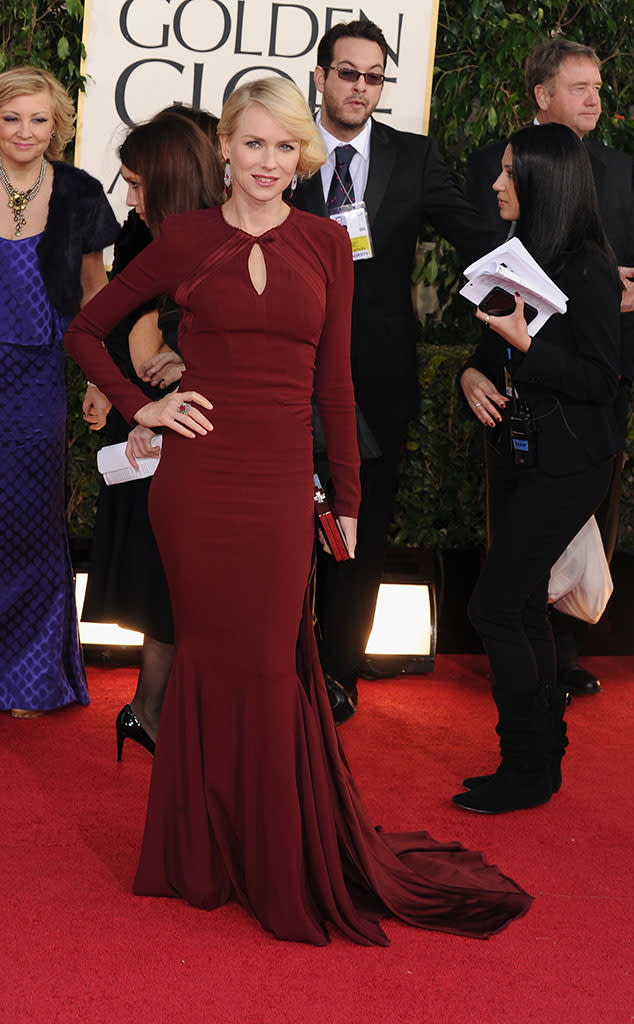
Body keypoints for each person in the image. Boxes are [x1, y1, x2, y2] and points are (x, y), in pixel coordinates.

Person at [65, 76, 530, 944]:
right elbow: (86, 330)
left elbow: (336, 381)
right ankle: (196, 852)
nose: (269, 162)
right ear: (226, 150)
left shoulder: (324, 243)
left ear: (300, 156)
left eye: (286, 148)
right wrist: (144, 406)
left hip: (282, 485)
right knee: (205, 662)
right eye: (253, 145)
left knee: (272, 669)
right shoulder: (182, 238)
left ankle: (273, 853)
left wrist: (346, 498)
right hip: (198, 485)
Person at [291, 20, 495, 722]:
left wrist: (569, 272)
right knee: (280, 531)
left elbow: (479, 242)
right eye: (347, 73)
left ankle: (337, 676)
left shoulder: (414, 158)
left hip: (377, 381)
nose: (360, 88)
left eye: (373, 76)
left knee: (360, 533)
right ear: (320, 76)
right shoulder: (280, 150)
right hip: (282, 375)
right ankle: (276, 672)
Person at [465, 38, 634, 696]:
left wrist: (613, 319)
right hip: (521, 416)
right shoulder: (500, 186)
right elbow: (488, 299)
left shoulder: (612, 184)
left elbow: (620, 293)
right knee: (513, 588)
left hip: (577, 424)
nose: (596, 98)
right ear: (542, 96)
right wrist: (476, 367)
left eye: (598, 86)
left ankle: (536, 732)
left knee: (519, 588)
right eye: (580, 87)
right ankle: (533, 740)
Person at [453, 123, 622, 814]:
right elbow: (490, 349)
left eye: (510, 172)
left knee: (493, 606)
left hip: (572, 461)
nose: (496, 184)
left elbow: (602, 377)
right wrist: (470, 373)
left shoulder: (587, 268)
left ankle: (527, 762)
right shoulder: (521, 257)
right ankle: (539, 760)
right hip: (527, 452)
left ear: (545, 182)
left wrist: (528, 346)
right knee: (518, 602)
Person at [80, 109, 224, 759]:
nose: (127, 200)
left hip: (214, 426)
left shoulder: (241, 230)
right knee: (171, 580)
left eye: (135, 184)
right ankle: (152, 711)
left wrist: (195, 361)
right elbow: (131, 344)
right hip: (168, 423)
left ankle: (161, 712)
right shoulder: (146, 236)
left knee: (193, 584)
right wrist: (143, 405)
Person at [0, 66, 118, 718]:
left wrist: (102, 382)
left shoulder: (76, 192)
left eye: (38, 119)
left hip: (37, 380)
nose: (24, 131)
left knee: (28, 527)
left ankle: (27, 676)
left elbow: (97, 296)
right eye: (12, 117)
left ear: (58, 126)